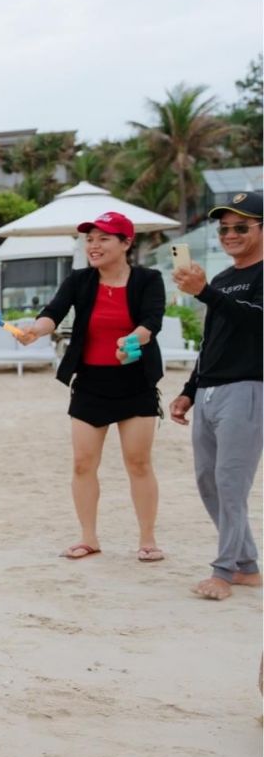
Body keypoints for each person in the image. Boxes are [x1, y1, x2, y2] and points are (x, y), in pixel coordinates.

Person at [17, 211, 166, 562]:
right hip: (90, 383)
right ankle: (89, 538)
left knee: (138, 462)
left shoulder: (148, 279)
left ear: (126, 243)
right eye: (90, 238)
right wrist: (36, 329)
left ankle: (148, 539)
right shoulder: (80, 280)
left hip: (135, 382)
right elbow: (54, 311)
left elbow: (152, 321)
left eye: (104, 238)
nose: (94, 245)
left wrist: (132, 339)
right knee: (83, 463)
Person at [170, 190, 263, 600]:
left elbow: (256, 322)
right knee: (209, 481)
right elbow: (213, 340)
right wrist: (189, 390)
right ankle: (246, 566)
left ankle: (223, 573)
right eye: (224, 228)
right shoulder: (223, 279)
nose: (230, 234)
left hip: (248, 388)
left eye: (241, 226)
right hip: (209, 391)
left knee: (230, 483)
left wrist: (206, 293)